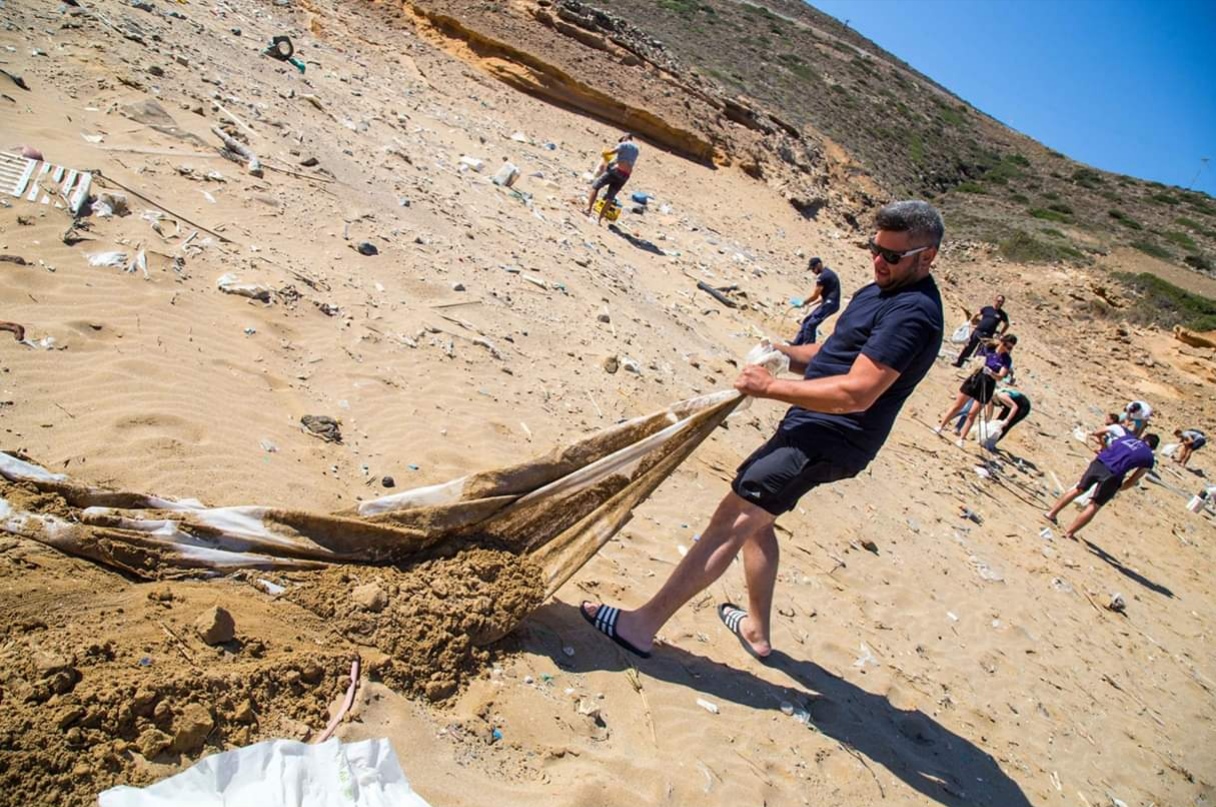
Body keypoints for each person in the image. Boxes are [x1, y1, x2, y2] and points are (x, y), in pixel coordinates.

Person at [579, 200, 944, 660]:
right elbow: (835, 353)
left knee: (733, 517)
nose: (878, 262)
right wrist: (786, 354)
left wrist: (771, 387)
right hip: (811, 425)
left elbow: (858, 392)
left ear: (926, 257)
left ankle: (640, 626)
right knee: (757, 523)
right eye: (875, 249)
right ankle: (756, 629)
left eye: (892, 257)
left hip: (830, 439)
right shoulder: (878, 291)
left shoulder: (914, 313)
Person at [1044, 432, 1158, 540]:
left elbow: (1110, 446)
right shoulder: (1149, 458)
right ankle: (1069, 532)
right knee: (1094, 505)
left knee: (1079, 489)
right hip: (1114, 474)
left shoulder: (1127, 438)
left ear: (1143, 438)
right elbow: (1134, 478)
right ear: (1153, 448)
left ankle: (1051, 513)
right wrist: (1122, 487)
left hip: (1100, 462)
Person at [935, 334, 1016, 447]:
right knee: (958, 406)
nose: (1007, 349)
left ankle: (962, 438)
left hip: (988, 384)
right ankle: (941, 426)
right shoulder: (989, 349)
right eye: (1006, 345)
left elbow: (1001, 376)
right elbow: (977, 359)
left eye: (1010, 348)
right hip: (975, 379)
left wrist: (992, 373)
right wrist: (980, 364)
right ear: (1002, 342)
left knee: (972, 413)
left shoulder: (1006, 359)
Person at [585, 133, 640, 224]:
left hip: (617, 171)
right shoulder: (636, 150)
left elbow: (611, 152)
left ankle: (588, 209)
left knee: (596, 186)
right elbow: (625, 160)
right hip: (625, 175)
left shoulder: (624, 144)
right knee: (610, 197)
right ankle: (599, 219)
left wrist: (604, 153)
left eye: (621, 139)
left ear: (626, 137)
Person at [790, 257, 841, 345]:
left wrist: (803, 302)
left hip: (830, 305)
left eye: (813, 268)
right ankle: (796, 344)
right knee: (807, 321)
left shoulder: (823, 277)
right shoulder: (828, 274)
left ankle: (808, 348)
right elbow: (826, 296)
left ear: (819, 265)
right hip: (829, 303)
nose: (813, 271)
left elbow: (815, 296)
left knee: (811, 325)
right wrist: (811, 304)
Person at [953, 294, 1009, 367]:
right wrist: (970, 322)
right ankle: (959, 363)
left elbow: (1007, 324)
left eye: (1001, 302)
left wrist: (1001, 334)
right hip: (978, 331)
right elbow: (977, 314)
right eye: (998, 301)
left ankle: (972, 368)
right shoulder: (987, 308)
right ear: (995, 300)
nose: (1000, 303)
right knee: (968, 348)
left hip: (988, 335)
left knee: (980, 353)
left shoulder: (1002, 314)